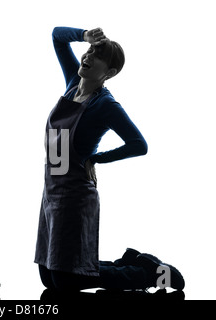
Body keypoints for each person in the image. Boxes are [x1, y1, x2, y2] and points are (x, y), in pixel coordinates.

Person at [34, 26, 184, 293]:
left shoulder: (105, 105)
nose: (88, 55)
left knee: (65, 280)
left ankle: (149, 273)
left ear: (110, 73)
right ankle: (128, 262)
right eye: (89, 50)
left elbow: (139, 144)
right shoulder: (72, 83)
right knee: (49, 278)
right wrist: (85, 35)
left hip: (75, 197)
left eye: (97, 54)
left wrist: (96, 159)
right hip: (51, 193)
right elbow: (57, 36)